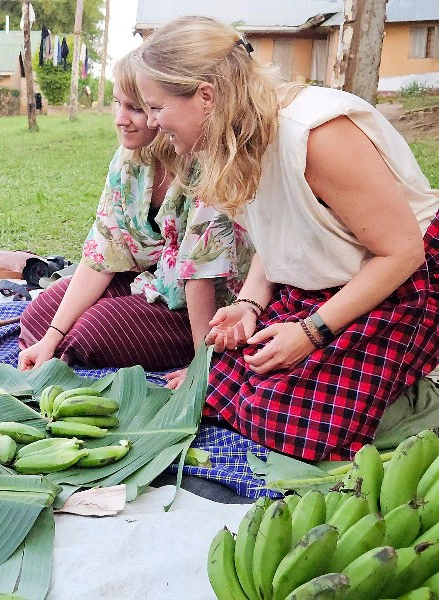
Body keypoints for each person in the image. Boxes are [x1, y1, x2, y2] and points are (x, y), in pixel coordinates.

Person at [135, 16, 439, 460]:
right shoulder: (241, 134)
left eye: (156, 107)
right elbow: (281, 232)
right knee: (217, 390)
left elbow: (402, 251)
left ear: (205, 96)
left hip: (408, 277)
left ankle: (416, 400)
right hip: (334, 275)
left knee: (288, 424)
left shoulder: (315, 135)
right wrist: (248, 306)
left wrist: (312, 332)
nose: (151, 122)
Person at [18, 53, 252, 384]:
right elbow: (103, 251)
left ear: (161, 109)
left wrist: (204, 367)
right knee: (40, 315)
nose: (120, 119)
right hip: (152, 283)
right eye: (117, 104)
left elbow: (200, 273)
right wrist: (50, 338)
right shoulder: (129, 162)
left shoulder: (205, 163)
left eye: (137, 108)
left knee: (89, 334)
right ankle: (55, 349)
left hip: (205, 309)